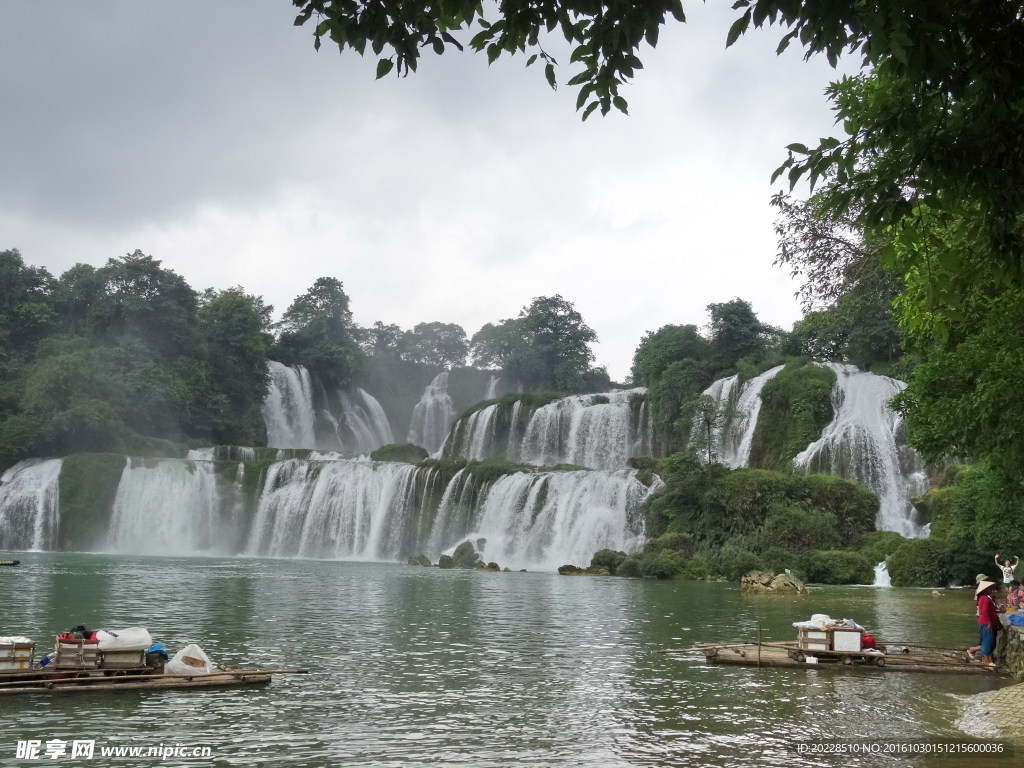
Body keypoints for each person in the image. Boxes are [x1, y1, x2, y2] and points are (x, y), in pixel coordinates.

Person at [976, 581, 1001, 666]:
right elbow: (985, 612)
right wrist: (989, 623)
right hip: (986, 622)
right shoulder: (985, 598)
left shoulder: (984, 598)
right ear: (985, 590)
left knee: (989, 640)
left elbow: (989, 611)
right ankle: (986, 659)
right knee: (987, 640)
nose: (991, 590)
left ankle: (987, 658)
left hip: (985, 622)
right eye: (989, 588)